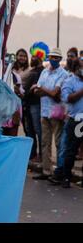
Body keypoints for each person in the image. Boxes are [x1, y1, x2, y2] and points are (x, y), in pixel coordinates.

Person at [31, 48, 69, 180]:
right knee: (45, 142)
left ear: (60, 59)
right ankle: (46, 171)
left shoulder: (63, 74)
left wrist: (41, 89)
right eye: (51, 57)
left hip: (56, 112)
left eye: (56, 57)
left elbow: (55, 94)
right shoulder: (44, 72)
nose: (53, 59)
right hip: (44, 110)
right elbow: (37, 92)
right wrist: (45, 90)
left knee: (58, 143)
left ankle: (59, 172)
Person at [59, 57, 83, 188]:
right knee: (71, 150)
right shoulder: (70, 81)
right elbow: (67, 98)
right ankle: (66, 176)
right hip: (77, 120)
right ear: (76, 68)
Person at [23, 42, 48, 161]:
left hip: (36, 105)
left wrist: (29, 90)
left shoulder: (41, 72)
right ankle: (33, 154)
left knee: (38, 130)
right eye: (32, 56)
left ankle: (42, 155)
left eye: (34, 57)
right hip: (28, 104)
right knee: (30, 131)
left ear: (40, 58)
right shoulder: (33, 71)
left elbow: (36, 89)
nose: (32, 58)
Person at [12, 49, 31, 136]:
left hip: (24, 100)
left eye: (24, 56)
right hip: (11, 100)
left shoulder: (29, 70)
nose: (22, 58)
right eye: (20, 55)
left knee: (26, 126)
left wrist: (21, 93)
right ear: (16, 56)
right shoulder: (11, 68)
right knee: (10, 125)